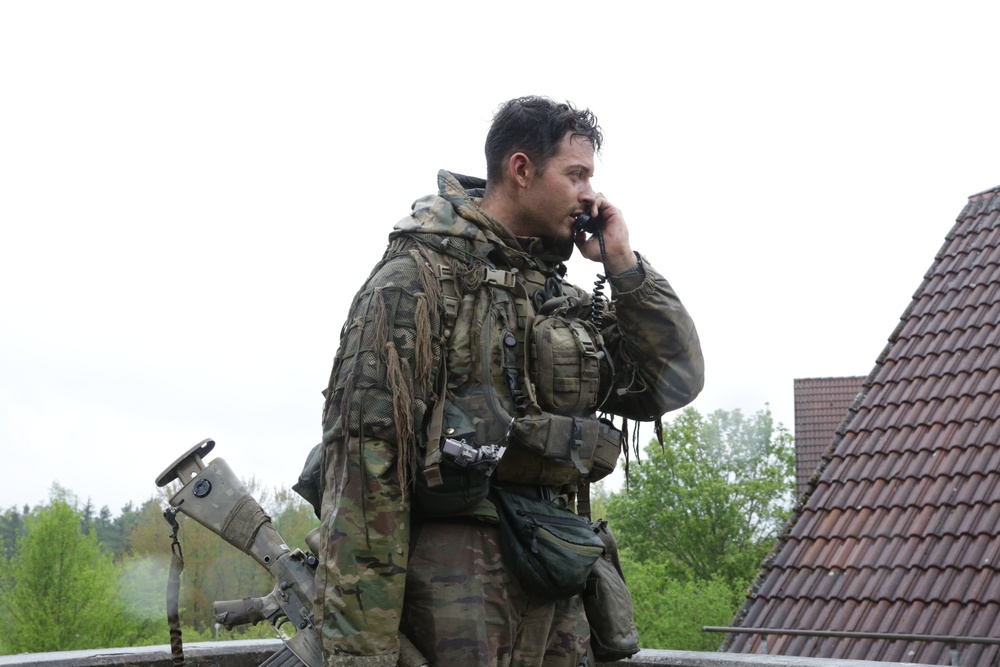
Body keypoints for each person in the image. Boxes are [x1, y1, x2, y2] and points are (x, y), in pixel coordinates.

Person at [295, 96, 704, 666]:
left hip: (554, 579)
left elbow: (671, 382)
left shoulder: (559, 298)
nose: (592, 195)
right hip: (452, 594)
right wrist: (363, 653)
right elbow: (365, 467)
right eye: (577, 174)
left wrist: (624, 264)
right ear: (521, 170)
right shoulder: (415, 280)